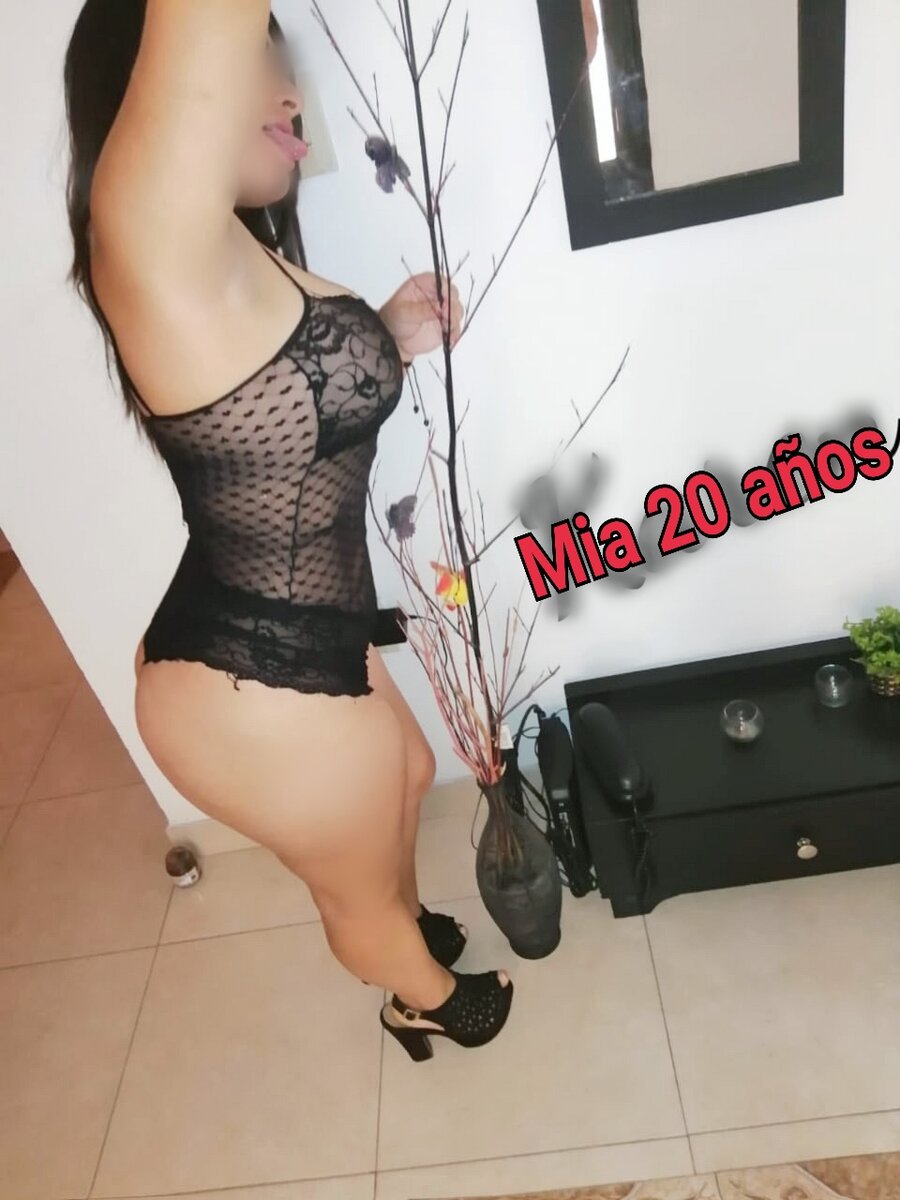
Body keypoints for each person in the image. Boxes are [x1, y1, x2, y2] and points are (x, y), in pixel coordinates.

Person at [62, 0, 513, 1062]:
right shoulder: (151, 240)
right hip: (247, 684)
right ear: (159, 91)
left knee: (408, 775)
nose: (292, 93)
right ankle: (422, 997)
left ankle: (400, 929)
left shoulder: (226, 255)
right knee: (358, 892)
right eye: (257, 58)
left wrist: (386, 336)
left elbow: (281, 416)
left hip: (296, 631)